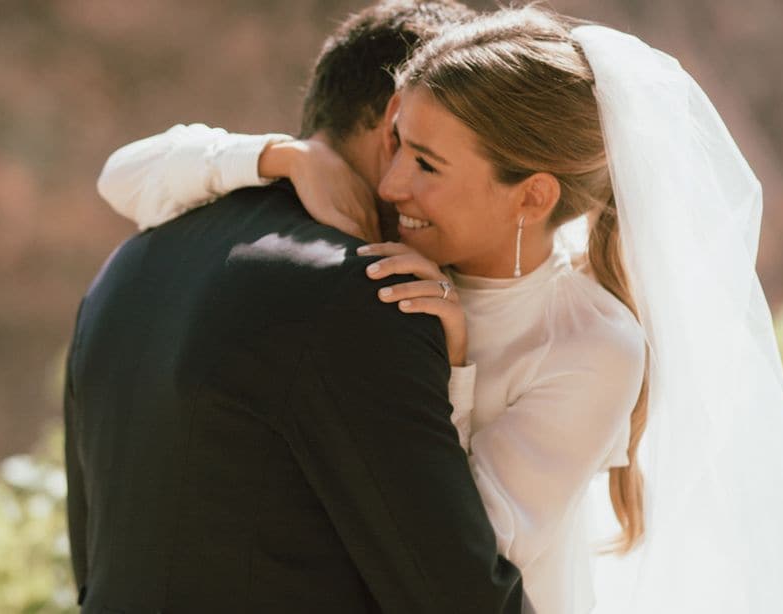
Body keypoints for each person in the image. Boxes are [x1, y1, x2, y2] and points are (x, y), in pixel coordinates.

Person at [96, 4, 783, 614]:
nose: (391, 183)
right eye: (397, 143)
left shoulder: (593, 346)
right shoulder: (390, 241)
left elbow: (460, 545)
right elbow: (125, 179)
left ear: (531, 196)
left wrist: (458, 362)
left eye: (426, 163)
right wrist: (285, 155)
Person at [64, 1, 524, 612]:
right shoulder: (369, 295)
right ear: (397, 125)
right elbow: (459, 597)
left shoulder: (123, 269)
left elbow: (93, 561)